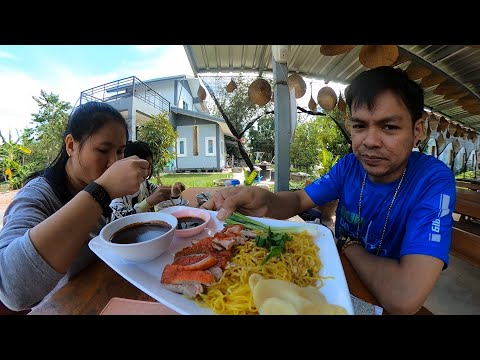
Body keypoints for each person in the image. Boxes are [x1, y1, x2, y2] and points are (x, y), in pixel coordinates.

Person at [202, 66, 456, 315]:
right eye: (359, 126)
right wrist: (265, 200)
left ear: (417, 130)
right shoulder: (349, 166)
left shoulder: (432, 181)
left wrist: (349, 246)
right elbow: (301, 199)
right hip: (331, 279)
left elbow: (404, 298)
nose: (370, 141)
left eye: (389, 127)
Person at [0, 101, 152, 312]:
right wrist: (101, 191)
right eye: (103, 150)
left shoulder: (96, 186)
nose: (113, 162)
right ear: (71, 145)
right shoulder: (38, 195)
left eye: (119, 152)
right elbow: (12, 290)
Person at [109, 140, 185, 221]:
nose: (147, 171)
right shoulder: (115, 193)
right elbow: (118, 220)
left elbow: (162, 195)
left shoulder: (146, 185)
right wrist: (147, 203)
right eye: (142, 167)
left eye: (149, 166)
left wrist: (174, 192)